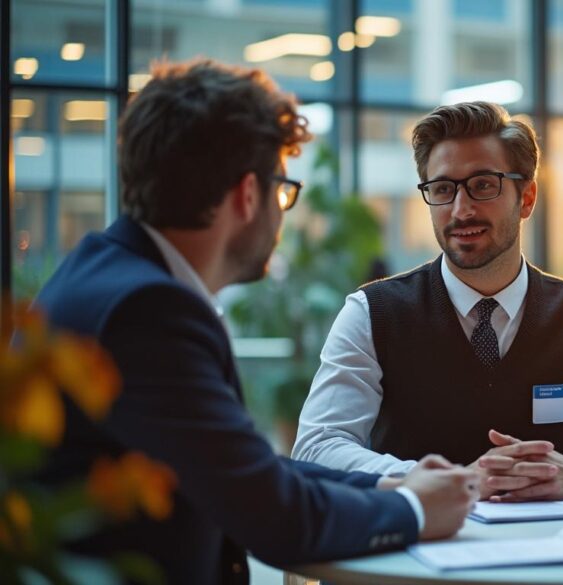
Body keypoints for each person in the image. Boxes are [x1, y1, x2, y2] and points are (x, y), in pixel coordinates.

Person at [33, 60, 477, 584]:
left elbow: (239, 470)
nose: (282, 211)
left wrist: (388, 489)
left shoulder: (108, 274)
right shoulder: (148, 311)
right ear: (247, 194)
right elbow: (275, 517)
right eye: (282, 189)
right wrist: (416, 513)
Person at [294, 102, 563, 503]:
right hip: (411, 557)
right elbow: (317, 447)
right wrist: (436, 481)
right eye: (442, 189)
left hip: (555, 556)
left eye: (483, 185)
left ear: (526, 198)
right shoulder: (372, 313)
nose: (460, 209)